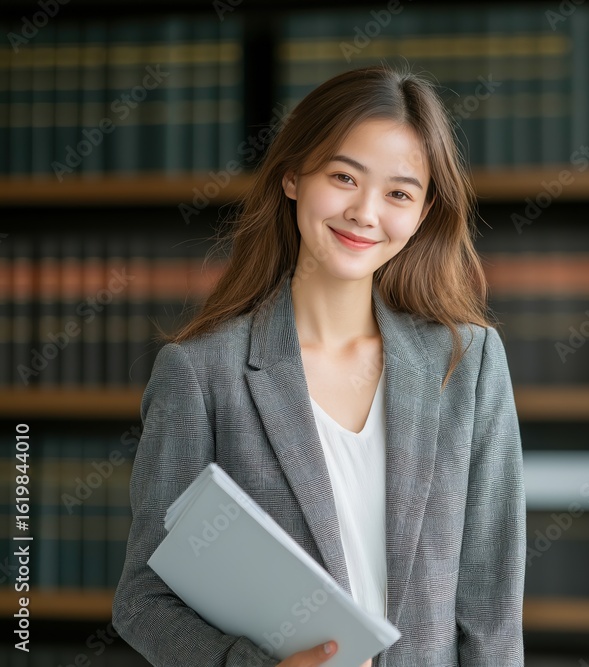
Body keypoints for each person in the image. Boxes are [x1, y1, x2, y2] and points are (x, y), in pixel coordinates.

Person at [111, 65, 526, 666]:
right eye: (343, 177)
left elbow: (492, 611)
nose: (365, 212)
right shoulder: (201, 374)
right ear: (292, 176)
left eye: (399, 193)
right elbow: (144, 601)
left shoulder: (469, 363)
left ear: (423, 211)